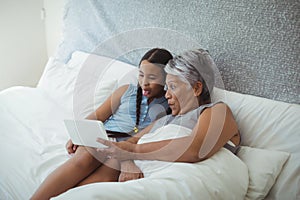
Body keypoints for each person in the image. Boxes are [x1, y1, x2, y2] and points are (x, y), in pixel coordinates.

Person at [31, 48, 173, 200]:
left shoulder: (167, 106)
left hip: (123, 149)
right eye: (141, 75)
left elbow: (138, 139)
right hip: (101, 137)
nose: (144, 83)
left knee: (105, 177)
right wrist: (77, 134)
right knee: (83, 160)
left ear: (166, 79)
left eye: (152, 77)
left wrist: (126, 158)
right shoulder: (126, 91)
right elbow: (97, 116)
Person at [96, 48, 241, 181]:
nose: (166, 95)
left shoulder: (217, 111)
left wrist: (132, 152)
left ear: (196, 88)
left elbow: (196, 149)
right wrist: (127, 162)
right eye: (166, 88)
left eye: (172, 87)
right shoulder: (164, 120)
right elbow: (125, 145)